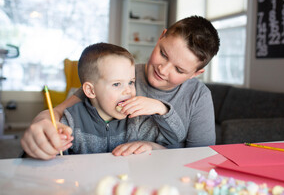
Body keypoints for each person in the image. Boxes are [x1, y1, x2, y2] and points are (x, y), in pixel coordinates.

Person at [21, 15, 220, 160]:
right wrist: (41, 125)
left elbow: (201, 158)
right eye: (164, 53)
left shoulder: (198, 96)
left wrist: (155, 148)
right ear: (161, 36)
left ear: (195, 74)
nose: (163, 69)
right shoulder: (123, 73)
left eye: (179, 69)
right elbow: (59, 111)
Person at [60, 43, 179, 155]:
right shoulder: (70, 122)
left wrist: (161, 108)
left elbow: (175, 137)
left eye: (131, 82)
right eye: (117, 84)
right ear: (91, 91)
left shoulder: (136, 120)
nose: (128, 90)